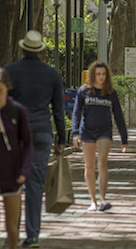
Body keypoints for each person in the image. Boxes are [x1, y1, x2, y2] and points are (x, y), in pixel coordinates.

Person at [6, 30, 66, 249]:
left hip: (14, 134)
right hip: (41, 133)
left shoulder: (10, 72)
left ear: (22, 49)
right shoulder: (51, 74)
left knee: (12, 185)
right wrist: (61, 138)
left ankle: (12, 232)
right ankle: (32, 236)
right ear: (41, 51)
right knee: (34, 185)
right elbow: (58, 110)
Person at [72, 61, 128, 212]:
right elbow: (76, 113)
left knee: (102, 164)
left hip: (104, 131)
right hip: (87, 131)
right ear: (92, 75)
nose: (101, 77)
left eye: (103, 74)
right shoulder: (84, 91)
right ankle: (93, 201)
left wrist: (124, 139)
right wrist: (75, 133)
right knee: (89, 167)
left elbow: (118, 116)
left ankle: (103, 199)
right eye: (98, 74)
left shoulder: (110, 92)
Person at [0, 68, 33, 249]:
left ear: (7, 89)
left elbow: (28, 143)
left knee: (12, 228)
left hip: (12, 176)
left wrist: (24, 171)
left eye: (0, 91)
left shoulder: (17, 111)